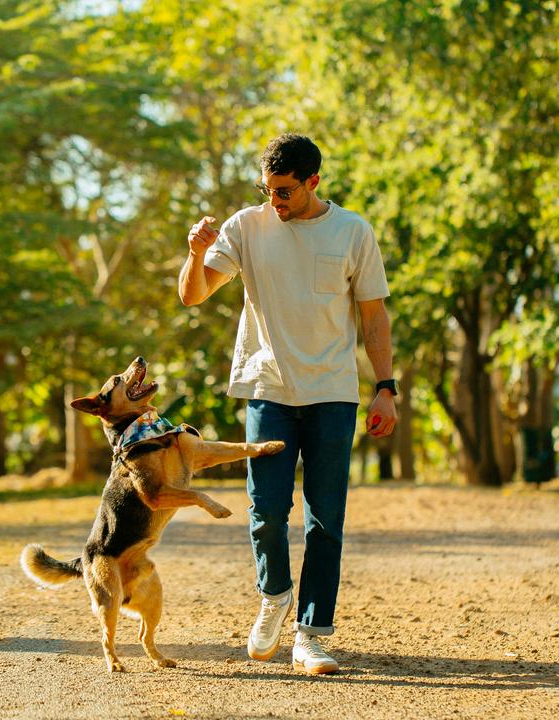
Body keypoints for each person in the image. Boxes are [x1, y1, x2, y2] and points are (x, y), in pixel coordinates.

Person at [177, 133, 398, 675]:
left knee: (326, 521)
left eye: (285, 191)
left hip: (333, 395)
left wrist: (386, 388)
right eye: (267, 190)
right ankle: (275, 593)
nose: (274, 201)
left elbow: (373, 317)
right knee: (267, 511)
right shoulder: (247, 226)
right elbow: (193, 293)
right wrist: (196, 253)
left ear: (313, 182)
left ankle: (311, 635)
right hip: (268, 388)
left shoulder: (352, 231)